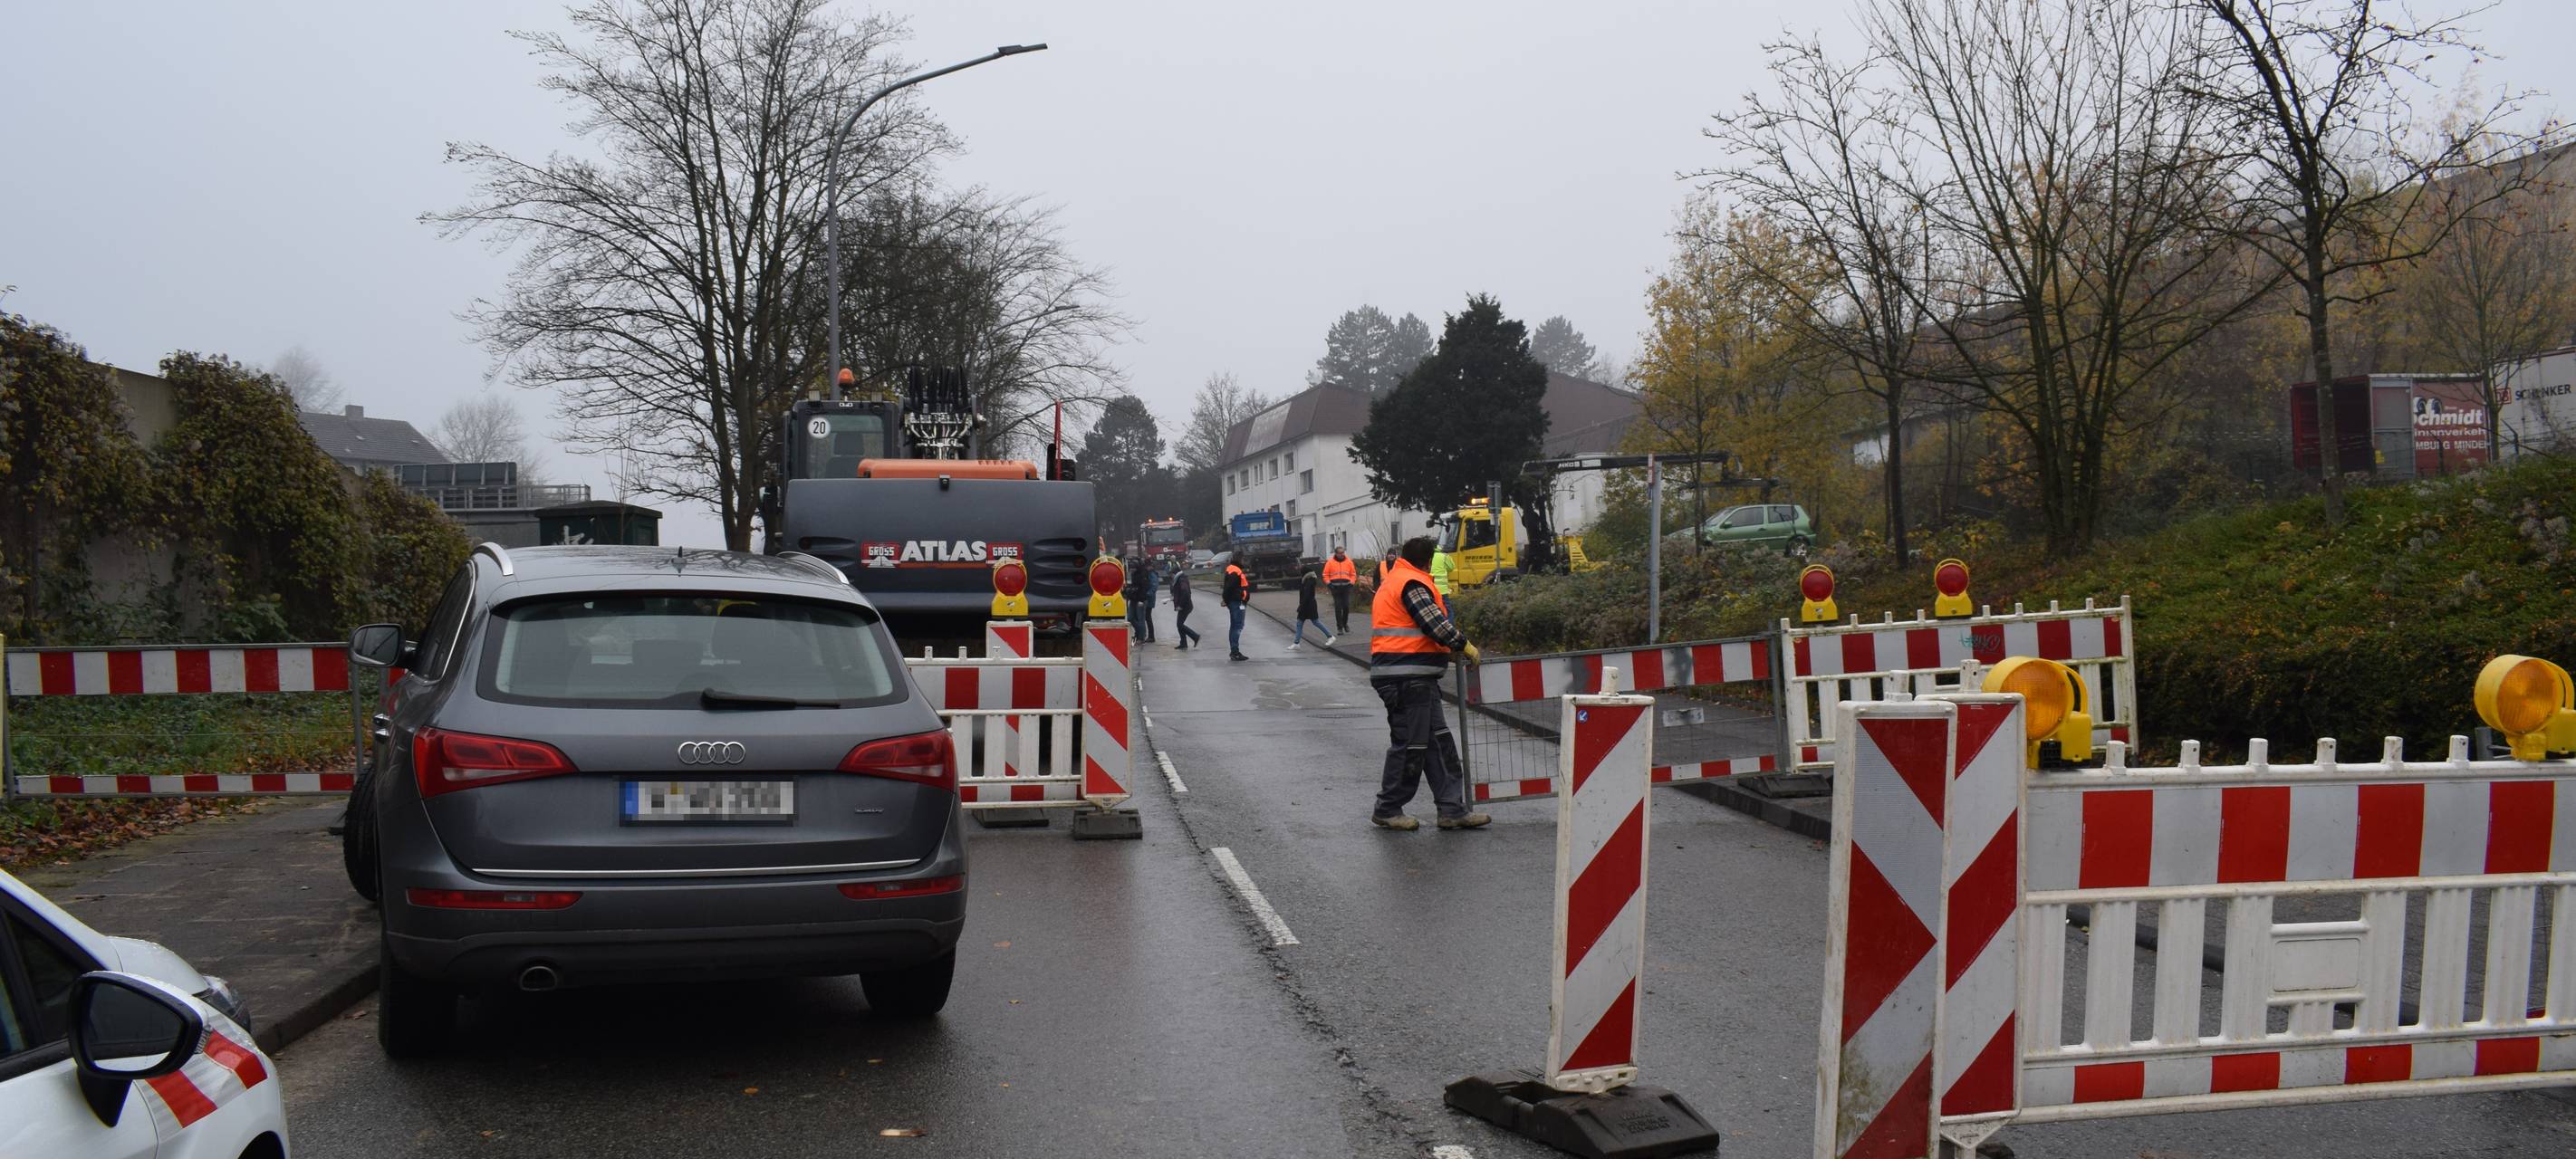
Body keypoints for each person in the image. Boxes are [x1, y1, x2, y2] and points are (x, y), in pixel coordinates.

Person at [1368, 536, 1490, 831]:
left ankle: (1451, 809)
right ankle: (1387, 808)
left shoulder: (1398, 578)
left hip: (1410, 676)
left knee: (1437, 742)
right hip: (1406, 678)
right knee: (1411, 744)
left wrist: (1443, 653)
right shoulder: (1412, 583)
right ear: (1429, 561)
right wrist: (1463, 645)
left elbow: (1414, 633)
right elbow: (1434, 624)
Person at [1289, 560, 1334, 650]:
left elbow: (1306, 595)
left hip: (1308, 606)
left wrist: (1300, 606)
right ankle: (1296, 643)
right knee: (1300, 623)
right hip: (1307, 605)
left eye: (1301, 572)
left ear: (1305, 573)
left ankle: (1330, 636)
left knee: (1315, 622)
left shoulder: (1309, 581)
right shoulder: (1306, 580)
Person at [1322, 547, 1358, 634]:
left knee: (1346, 607)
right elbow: (1325, 575)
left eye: (1343, 552)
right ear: (1336, 553)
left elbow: (1353, 574)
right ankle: (1339, 627)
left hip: (1346, 588)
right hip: (1335, 588)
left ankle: (1345, 624)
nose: (1342, 554)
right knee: (1338, 608)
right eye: (1340, 553)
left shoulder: (1349, 562)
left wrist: (1352, 583)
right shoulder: (1330, 563)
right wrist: (1329, 584)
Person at [1221, 559, 1252, 661]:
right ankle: (1235, 652)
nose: (1245, 562)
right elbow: (1229, 587)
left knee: (1235, 626)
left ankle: (1234, 651)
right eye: (1243, 559)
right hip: (1237, 602)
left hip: (1236, 601)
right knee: (1237, 626)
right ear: (1240, 559)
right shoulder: (1235, 571)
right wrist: (1226, 599)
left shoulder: (1232, 569)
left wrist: (1226, 599)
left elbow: (1228, 587)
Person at [1126, 556, 1158, 643]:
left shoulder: (1145, 574)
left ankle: (1141, 636)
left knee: (1142, 618)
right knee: (1131, 617)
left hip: (1141, 599)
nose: (1131, 570)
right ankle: (1140, 633)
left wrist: (1143, 600)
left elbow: (1145, 588)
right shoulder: (1135, 574)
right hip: (1134, 598)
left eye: (1132, 568)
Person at [1170, 564, 1201, 649]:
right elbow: (1181, 593)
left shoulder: (1181, 579)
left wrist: (1180, 605)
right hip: (1185, 605)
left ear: (1175, 573)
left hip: (1185, 606)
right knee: (1179, 624)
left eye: (1171, 574)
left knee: (1179, 624)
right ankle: (1183, 643)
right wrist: (1173, 599)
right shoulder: (1180, 579)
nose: (1171, 577)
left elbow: (1185, 593)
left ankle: (1195, 637)